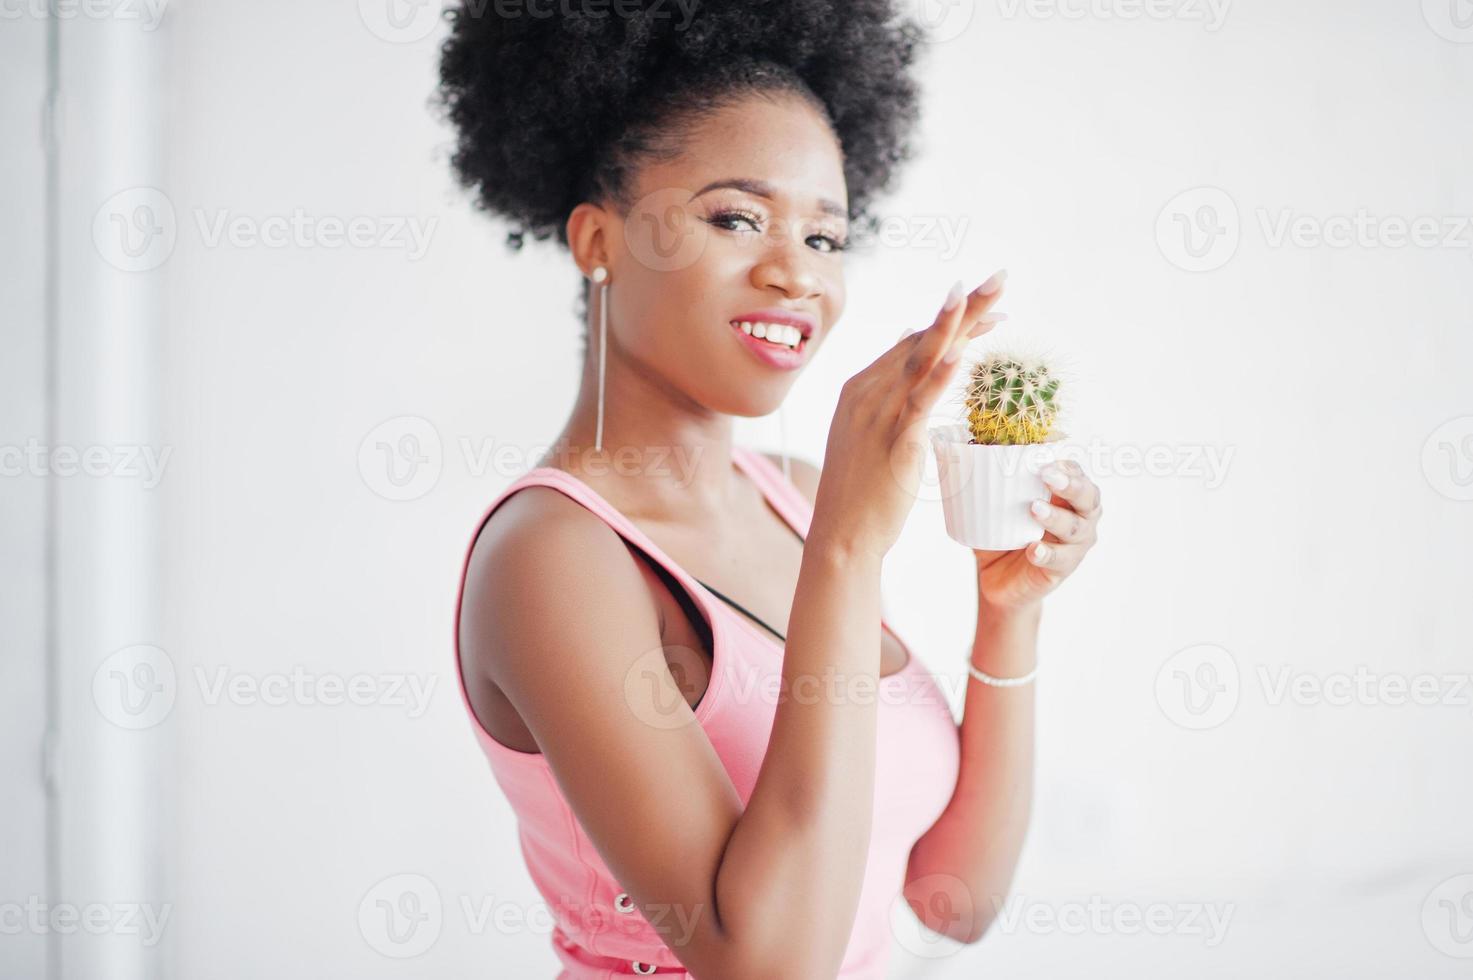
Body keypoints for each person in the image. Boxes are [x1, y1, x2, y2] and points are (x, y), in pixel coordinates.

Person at [440, 2, 1103, 975]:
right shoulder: (552, 557)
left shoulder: (793, 496)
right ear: (597, 240)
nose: (796, 274)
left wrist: (1009, 616)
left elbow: (947, 896)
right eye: (736, 217)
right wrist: (844, 547)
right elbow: (765, 963)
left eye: (826, 239)